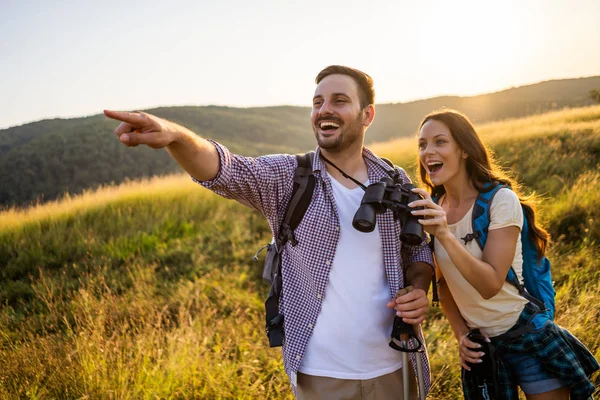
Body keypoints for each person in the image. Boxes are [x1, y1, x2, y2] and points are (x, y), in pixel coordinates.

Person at [104, 65, 435, 399]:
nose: (324, 110)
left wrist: (419, 289)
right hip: (323, 377)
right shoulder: (290, 178)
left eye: (339, 100)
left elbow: (418, 249)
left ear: (367, 115)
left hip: (397, 366)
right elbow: (226, 170)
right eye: (317, 102)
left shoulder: (393, 179)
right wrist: (175, 136)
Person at [409, 108, 599, 399]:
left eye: (440, 142)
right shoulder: (432, 208)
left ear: (463, 149)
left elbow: (490, 285)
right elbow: (444, 284)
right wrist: (461, 335)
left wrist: (445, 234)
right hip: (482, 347)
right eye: (422, 144)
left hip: (526, 336)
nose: (427, 151)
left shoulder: (501, 200)